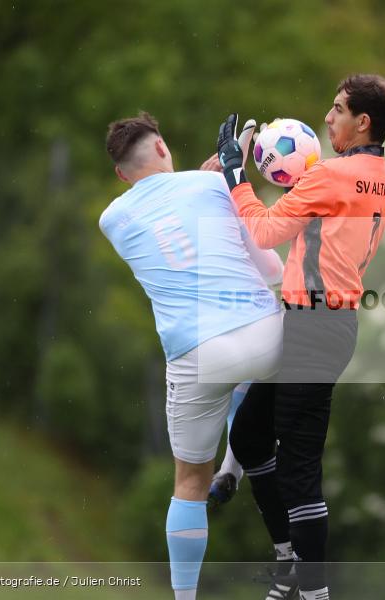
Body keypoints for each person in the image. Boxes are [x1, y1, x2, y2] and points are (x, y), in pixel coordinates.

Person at [209, 73, 385, 600]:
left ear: (363, 121)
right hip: (321, 327)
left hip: (314, 327)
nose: (328, 118)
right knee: (249, 437)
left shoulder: (333, 177)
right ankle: (290, 565)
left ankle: (312, 592)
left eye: (338, 110)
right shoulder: (382, 178)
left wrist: (234, 174)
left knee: (298, 472)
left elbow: (266, 230)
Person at [99, 112, 284, 600]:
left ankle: (184, 596)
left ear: (121, 174)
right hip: (266, 333)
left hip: (198, 351)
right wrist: (228, 172)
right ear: (163, 148)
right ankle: (236, 468)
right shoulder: (215, 188)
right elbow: (270, 267)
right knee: (253, 376)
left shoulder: (112, 220)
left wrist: (210, 180)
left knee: (188, 482)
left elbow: (169, 211)